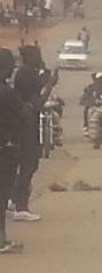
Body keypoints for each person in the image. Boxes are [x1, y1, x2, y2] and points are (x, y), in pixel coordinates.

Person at [10, 46, 49, 222]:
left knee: (22, 166)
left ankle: (14, 199)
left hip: (21, 125)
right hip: (27, 126)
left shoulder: (23, 73)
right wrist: (48, 85)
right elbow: (37, 103)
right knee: (29, 165)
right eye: (37, 55)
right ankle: (21, 206)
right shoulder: (29, 75)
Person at [0, 48, 26, 253]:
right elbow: (26, 115)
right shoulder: (7, 93)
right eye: (10, 66)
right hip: (5, 150)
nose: (12, 70)